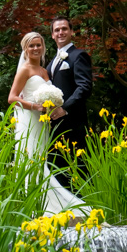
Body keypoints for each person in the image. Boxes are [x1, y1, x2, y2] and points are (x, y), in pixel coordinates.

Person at [8, 31, 90, 216]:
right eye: (31, 46)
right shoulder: (25, 70)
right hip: (31, 119)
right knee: (32, 159)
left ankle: (44, 200)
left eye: (38, 45)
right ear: (25, 49)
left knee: (43, 158)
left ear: (43, 47)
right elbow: (12, 98)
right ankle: (36, 203)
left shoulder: (45, 71)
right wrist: (34, 106)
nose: (35, 48)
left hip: (44, 122)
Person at [47, 16, 93, 153]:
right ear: (52, 35)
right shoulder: (50, 63)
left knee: (77, 168)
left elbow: (84, 87)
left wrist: (64, 108)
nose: (61, 32)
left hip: (73, 123)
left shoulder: (79, 56)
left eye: (64, 29)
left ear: (71, 32)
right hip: (53, 125)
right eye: (57, 30)